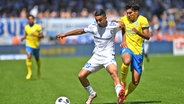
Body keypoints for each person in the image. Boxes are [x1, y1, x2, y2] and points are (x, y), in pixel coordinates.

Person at [56, 9, 125, 104]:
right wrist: (65, 34)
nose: (98, 22)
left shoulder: (113, 26)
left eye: (100, 19)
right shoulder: (93, 27)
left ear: (106, 18)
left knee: (114, 73)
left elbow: (123, 25)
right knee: (81, 76)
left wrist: (124, 40)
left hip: (108, 57)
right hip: (96, 57)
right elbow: (80, 31)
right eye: (97, 20)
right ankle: (92, 94)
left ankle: (120, 96)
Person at [118, 1, 151, 102]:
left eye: (130, 13)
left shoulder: (143, 20)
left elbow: (148, 36)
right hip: (127, 47)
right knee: (126, 61)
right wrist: (123, 39)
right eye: (127, 13)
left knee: (135, 82)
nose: (128, 15)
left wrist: (137, 32)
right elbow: (120, 25)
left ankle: (124, 95)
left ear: (136, 12)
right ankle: (122, 83)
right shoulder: (124, 19)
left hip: (138, 52)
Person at [21, 14, 44, 80]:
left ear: (33, 20)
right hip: (29, 44)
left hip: (36, 45)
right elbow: (26, 35)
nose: (30, 20)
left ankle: (38, 70)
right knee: (29, 56)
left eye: (32, 19)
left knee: (37, 59)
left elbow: (42, 36)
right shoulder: (26, 27)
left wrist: (36, 35)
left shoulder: (38, 27)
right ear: (28, 20)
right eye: (29, 19)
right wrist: (23, 38)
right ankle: (29, 72)